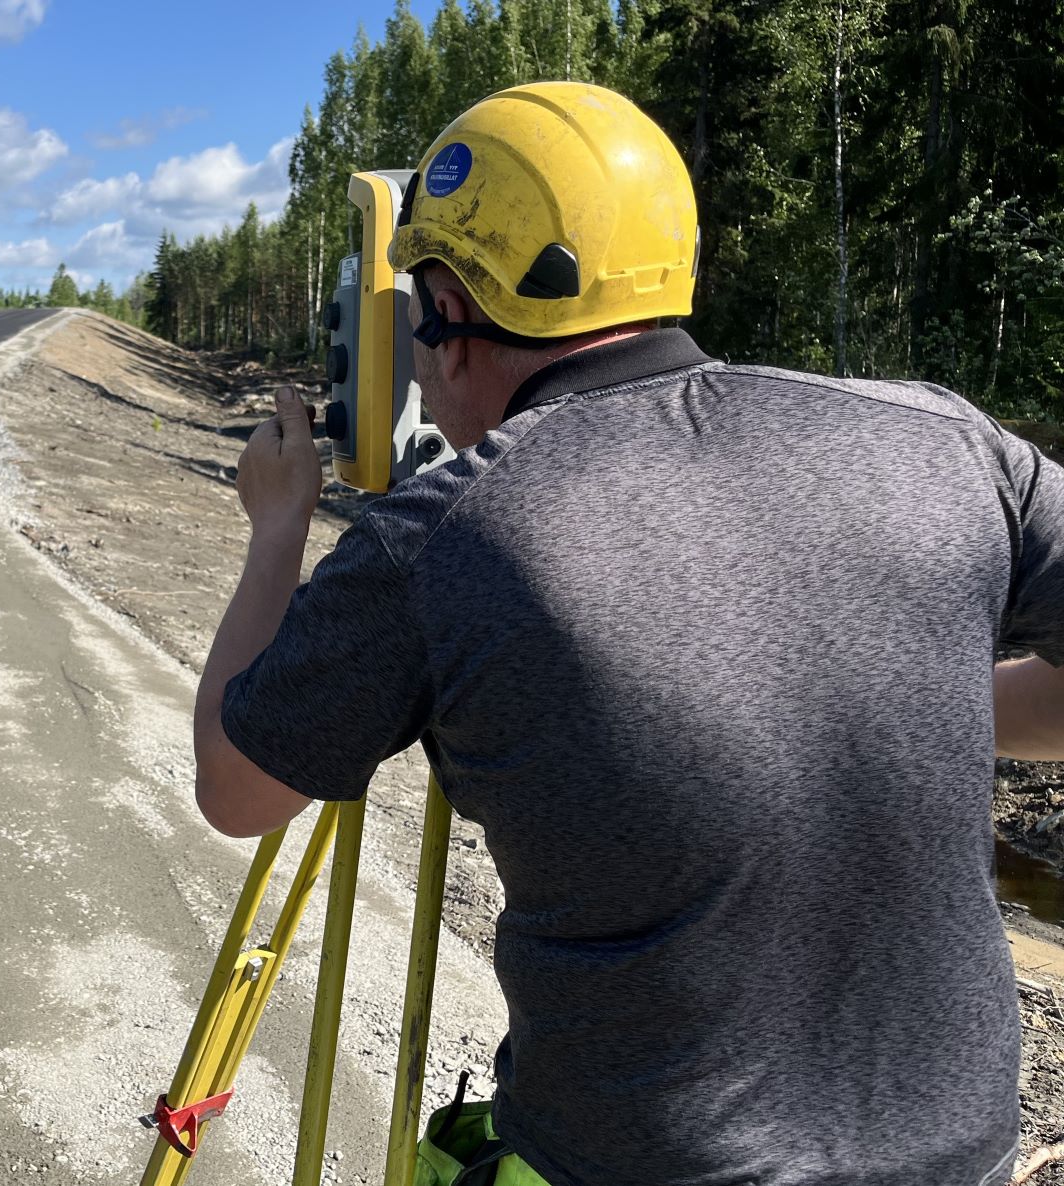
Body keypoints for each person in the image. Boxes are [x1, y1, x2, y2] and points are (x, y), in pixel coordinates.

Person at [195, 81, 1059, 1186]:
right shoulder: (940, 437)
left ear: (451, 313)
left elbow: (237, 786)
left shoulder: (445, 531)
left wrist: (276, 530)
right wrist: (883, 696)